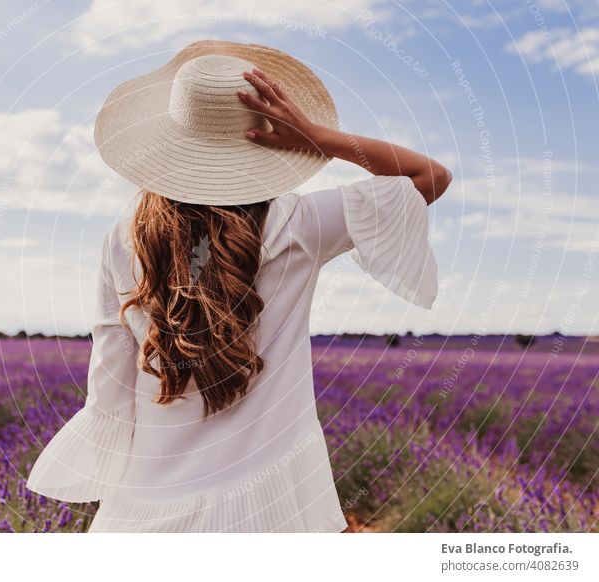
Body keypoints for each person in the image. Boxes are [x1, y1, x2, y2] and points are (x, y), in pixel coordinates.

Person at [26, 40, 452, 532]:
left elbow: (112, 374)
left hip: (150, 503)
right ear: (262, 136)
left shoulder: (124, 238)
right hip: (271, 506)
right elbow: (428, 176)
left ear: (170, 140)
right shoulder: (300, 222)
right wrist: (318, 138)